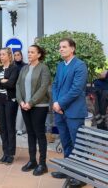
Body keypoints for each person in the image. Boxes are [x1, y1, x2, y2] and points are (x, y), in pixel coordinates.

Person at [51, 38, 88, 187]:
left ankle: (81, 176)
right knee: (66, 142)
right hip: (59, 111)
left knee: (77, 144)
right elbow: (55, 85)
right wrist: (55, 102)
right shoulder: (60, 65)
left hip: (74, 112)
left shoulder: (80, 65)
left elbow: (76, 90)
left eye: (64, 47)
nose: (61, 49)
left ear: (72, 49)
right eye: (60, 47)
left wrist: (60, 103)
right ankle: (68, 169)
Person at [16, 45, 51, 176]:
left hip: (39, 106)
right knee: (30, 133)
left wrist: (30, 103)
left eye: (32, 52)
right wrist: (21, 102)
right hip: (25, 106)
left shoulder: (44, 68)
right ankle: (32, 161)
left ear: (39, 55)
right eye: (28, 52)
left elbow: (43, 88)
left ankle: (43, 164)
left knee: (39, 134)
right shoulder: (24, 68)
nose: (29, 54)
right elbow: (18, 85)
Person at [0, 47, 19, 165]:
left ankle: (11, 154)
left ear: (9, 56)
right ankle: (5, 152)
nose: (1, 56)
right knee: (2, 127)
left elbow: (11, 84)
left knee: (10, 126)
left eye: (3, 54)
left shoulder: (14, 68)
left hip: (10, 101)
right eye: (0, 54)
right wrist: (1, 81)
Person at [14, 50, 27, 136]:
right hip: (13, 89)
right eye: (15, 55)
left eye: (18, 55)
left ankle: (23, 129)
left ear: (21, 56)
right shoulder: (12, 66)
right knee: (14, 110)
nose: (17, 56)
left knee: (22, 110)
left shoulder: (26, 66)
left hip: (23, 90)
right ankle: (16, 127)